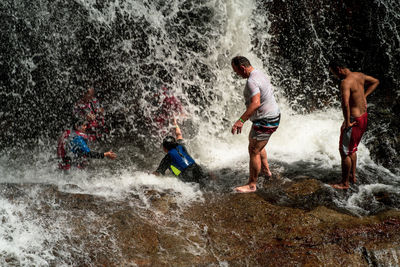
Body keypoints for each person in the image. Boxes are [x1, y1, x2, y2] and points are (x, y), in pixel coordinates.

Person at [231, 56, 281, 193]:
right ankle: (266, 171)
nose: (236, 74)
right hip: (272, 117)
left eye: (236, 71)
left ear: (242, 68)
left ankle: (252, 185)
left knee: (254, 150)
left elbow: (255, 103)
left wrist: (240, 121)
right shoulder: (259, 73)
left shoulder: (252, 81)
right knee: (257, 144)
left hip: (265, 120)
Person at [329, 60, 379, 189]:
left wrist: (347, 122)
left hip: (354, 119)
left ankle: (344, 183)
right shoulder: (359, 75)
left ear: (339, 69)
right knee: (353, 148)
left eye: (334, 73)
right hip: (363, 117)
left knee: (344, 152)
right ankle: (352, 176)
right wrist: (364, 95)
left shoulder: (345, 83)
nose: (335, 76)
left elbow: (345, 104)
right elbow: (375, 81)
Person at [153, 119, 206, 186]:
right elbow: (179, 134)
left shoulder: (167, 158)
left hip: (187, 176)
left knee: (195, 186)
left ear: (164, 148)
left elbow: (157, 173)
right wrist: (175, 124)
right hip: (197, 169)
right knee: (204, 181)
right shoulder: (180, 145)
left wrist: (145, 176)